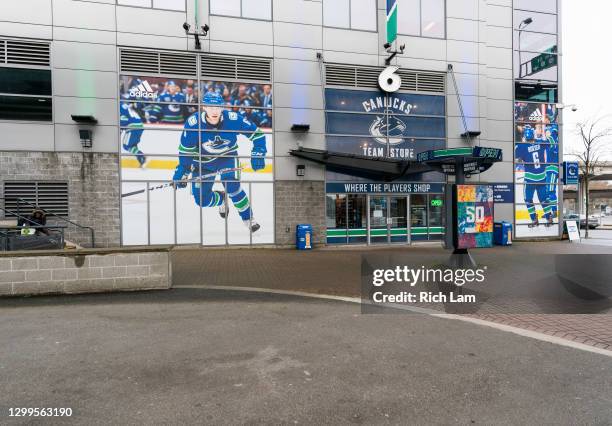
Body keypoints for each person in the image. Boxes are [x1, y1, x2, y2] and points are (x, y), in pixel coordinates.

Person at [172, 92, 267, 232]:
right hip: (201, 163)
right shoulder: (193, 124)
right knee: (202, 201)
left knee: (233, 187)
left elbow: (257, 135)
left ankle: (248, 218)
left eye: (217, 107)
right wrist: (183, 171)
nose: (214, 111)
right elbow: (186, 151)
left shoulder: (233, 119)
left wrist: (258, 152)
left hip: (227, 159)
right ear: (203, 107)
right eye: (210, 107)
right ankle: (222, 198)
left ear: (222, 107)